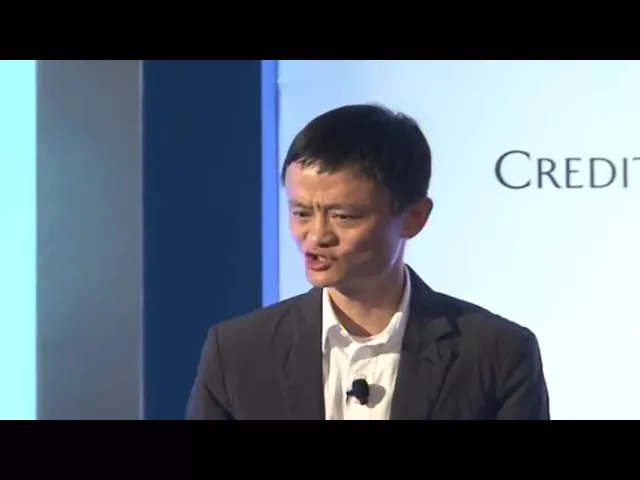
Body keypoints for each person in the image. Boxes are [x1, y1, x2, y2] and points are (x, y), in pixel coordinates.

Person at [186, 103, 550, 420]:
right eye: (301, 213)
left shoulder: (495, 353)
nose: (316, 236)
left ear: (414, 218)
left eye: (343, 216)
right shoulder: (238, 352)